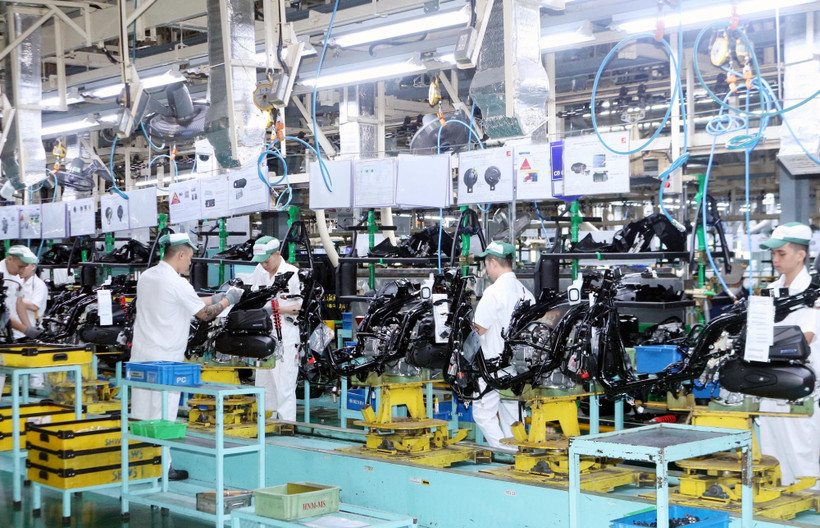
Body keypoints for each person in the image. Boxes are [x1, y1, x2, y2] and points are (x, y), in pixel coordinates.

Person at [130, 233, 243, 480]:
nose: (190, 263)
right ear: (180, 255)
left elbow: (183, 301)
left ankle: (140, 463)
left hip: (141, 356)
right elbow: (204, 314)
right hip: (166, 360)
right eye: (190, 258)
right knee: (164, 415)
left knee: (142, 412)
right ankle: (162, 468)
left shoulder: (148, 277)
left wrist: (215, 297)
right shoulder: (177, 283)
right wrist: (227, 301)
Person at [757, 222, 820, 487]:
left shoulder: (814, 295)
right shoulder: (770, 291)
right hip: (768, 383)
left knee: (801, 450)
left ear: (800, 254)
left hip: (800, 387)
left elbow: (801, 341)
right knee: (771, 450)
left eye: (781, 253)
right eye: (773, 254)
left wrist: (760, 343)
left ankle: (810, 508)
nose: (775, 259)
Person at [472, 241, 534, 452]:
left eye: (487, 265)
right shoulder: (526, 293)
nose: (486, 270)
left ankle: (504, 452)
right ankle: (518, 453)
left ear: (492, 262)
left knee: (482, 412)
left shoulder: (493, 292)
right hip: (517, 367)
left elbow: (479, 328)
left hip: (492, 365)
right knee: (511, 413)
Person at [249, 236, 302, 421]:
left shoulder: (293, 274)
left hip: (285, 334)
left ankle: (286, 426)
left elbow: (299, 307)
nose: (263, 264)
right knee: (263, 383)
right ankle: (266, 423)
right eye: (260, 261)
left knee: (284, 383)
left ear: (277, 254)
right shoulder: (259, 270)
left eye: (266, 260)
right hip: (263, 333)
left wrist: (275, 309)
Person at [0, 246, 41, 398]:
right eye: (19, 266)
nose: (21, 271)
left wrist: (30, 329)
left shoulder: (17, 277)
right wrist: (24, 330)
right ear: (9, 259)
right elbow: (2, 314)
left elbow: (19, 304)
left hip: (6, 331)